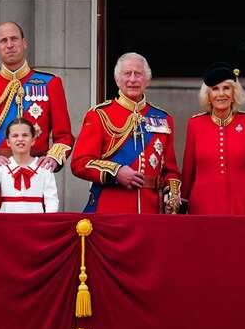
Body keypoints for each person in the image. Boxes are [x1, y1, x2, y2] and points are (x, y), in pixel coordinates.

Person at [0, 21, 74, 211]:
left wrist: (53, 158)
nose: (9, 44)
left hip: (36, 180)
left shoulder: (50, 83)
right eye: (3, 40)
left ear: (24, 43)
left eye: (14, 39)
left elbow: (64, 136)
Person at [71, 52, 181, 214]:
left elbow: (171, 171)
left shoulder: (163, 118)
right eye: (127, 73)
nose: (132, 79)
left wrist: (172, 195)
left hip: (151, 210)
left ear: (147, 80)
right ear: (117, 80)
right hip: (111, 209)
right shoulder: (99, 115)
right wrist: (116, 172)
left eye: (138, 74)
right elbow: (80, 163)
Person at [181, 63, 245, 215]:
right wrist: (182, 204)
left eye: (226, 88)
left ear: (234, 93)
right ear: (208, 95)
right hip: (203, 206)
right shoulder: (195, 124)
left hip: (242, 204)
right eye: (215, 89)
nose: (221, 94)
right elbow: (188, 170)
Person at [0, 118, 59, 213]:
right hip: (7, 222)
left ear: (33, 140)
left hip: (35, 223)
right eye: (15, 136)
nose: (20, 139)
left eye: (25, 135)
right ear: (8, 142)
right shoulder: (1, 167)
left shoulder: (44, 168)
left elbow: (51, 199)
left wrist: (49, 221)